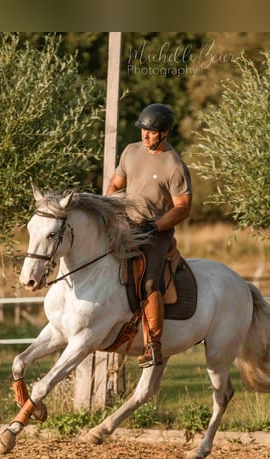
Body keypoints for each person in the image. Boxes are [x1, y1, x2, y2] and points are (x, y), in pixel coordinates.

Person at [105, 103, 192, 367]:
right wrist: (109, 208)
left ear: (165, 133)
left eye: (151, 132)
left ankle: (153, 346)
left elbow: (183, 207)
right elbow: (116, 184)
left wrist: (155, 226)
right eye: (143, 130)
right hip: (126, 225)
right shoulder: (131, 151)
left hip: (156, 233)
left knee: (149, 282)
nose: (145, 136)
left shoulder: (174, 166)